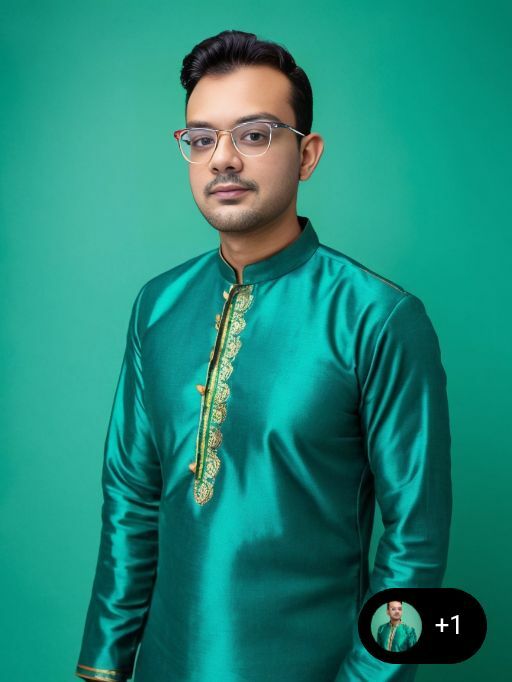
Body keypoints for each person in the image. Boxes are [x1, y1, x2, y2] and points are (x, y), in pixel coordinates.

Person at [75, 30, 452, 682]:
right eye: (201, 139)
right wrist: (105, 665)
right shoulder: (158, 306)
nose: (223, 159)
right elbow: (132, 497)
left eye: (254, 134)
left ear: (307, 155)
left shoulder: (378, 317)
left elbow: (414, 545)